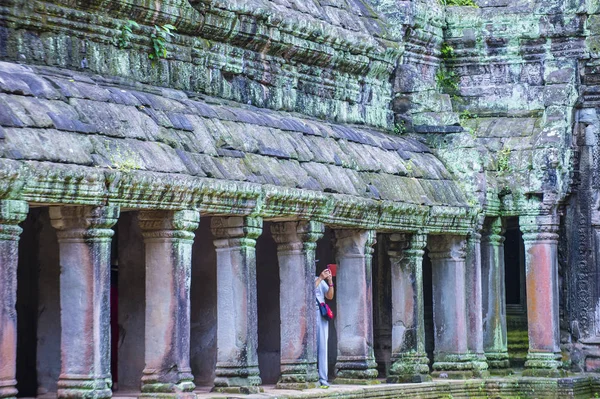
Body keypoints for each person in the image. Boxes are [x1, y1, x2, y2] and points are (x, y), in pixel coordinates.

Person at [315, 267, 334, 388]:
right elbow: (306, 292)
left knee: (323, 346)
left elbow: (329, 296)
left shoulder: (319, 280)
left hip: (320, 314)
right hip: (306, 314)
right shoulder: (305, 278)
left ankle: (323, 378)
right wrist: (321, 278)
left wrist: (330, 281)